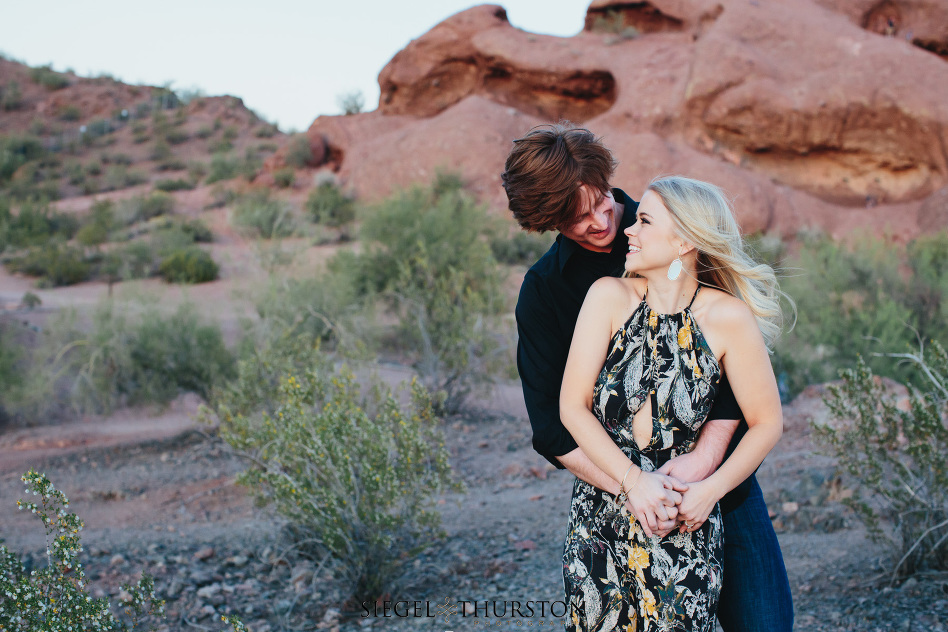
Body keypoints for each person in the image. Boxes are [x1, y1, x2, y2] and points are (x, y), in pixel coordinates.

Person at [502, 124, 793, 631]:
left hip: (720, 486)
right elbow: (553, 424)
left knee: (763, 621)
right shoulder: (547, 291)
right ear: (546, 222)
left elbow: (735, 368)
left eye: (600, 203)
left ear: (604, 178)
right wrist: (632, 487)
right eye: (574, 219)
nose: (601, 223)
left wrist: (705, 464)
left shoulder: (674, 221)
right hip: (615, 499)